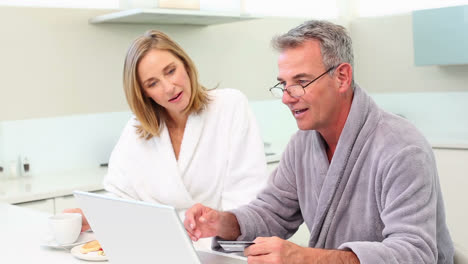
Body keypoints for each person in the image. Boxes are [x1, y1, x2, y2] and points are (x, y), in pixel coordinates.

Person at [184, 20, 454, 263]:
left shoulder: (401, 148)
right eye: (284, 84)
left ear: (342, 77)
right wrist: (222, 222)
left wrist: (305, 257)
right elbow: (270, 214)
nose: (287, 97)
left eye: (301, 81)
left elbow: (415, 253)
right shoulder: (302, 145)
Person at [65, 30, 268, 248]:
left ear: (185, 64)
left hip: (221, 251)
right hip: (158, 248)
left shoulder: (230, 106)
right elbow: (119, 197)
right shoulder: (137, 130)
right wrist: (91, 216)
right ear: (144, 93)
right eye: (153, 83)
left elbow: (246, 198)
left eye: (171, 71)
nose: (169, 87)